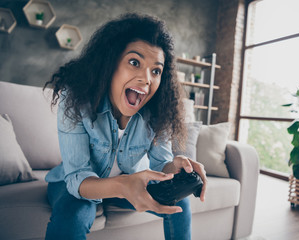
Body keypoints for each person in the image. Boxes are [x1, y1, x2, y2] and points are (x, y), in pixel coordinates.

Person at [43, 13, 207, 240]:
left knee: (180, 204)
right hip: (78, 184)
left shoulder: (157, 112)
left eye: (156, 71)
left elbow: (161, 164)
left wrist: (175, 167)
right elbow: (77, 177)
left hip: (128, 183)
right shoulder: (76, 99)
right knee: (72, 217)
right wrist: (121, 186)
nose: (146, 78)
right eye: (134, 62)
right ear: (110, 63)